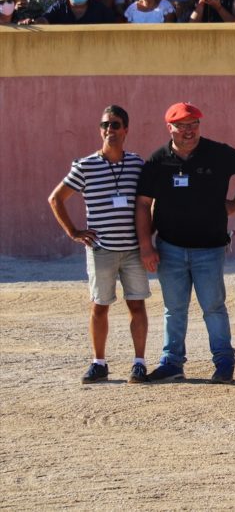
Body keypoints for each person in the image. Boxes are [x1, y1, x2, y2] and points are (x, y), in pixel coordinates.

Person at [135, 103, 235, 383]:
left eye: (194, 124)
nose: (189, 131)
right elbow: (142, 204)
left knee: (213, 307)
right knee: (173, 309)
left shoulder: (217, 153)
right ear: (170, 128)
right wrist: (146, 246)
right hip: (170, 248)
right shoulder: (157, 161)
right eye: (182, 125)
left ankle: (224, 362)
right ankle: (172, 363)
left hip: (209, 248)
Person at [47, 105, 149, 384]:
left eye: (115, 125)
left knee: (136, 305)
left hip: (132, 250)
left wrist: (148, 236)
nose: (109, 131)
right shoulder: (85, 166)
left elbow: (149, 202)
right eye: (105, 125)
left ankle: (139, 363)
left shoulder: (137, 165)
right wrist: (73, 231)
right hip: (101, 249)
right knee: (99, 306)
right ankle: (98, 362)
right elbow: (56, 199)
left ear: (126, 129)